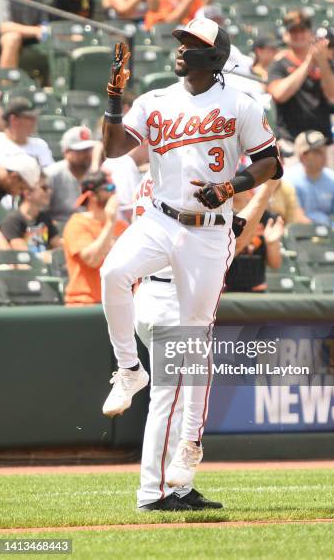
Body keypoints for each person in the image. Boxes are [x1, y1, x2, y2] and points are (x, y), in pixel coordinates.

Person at [101, 17, 282, 507]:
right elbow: (114, 148)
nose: (181, 49)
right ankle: (127, 370)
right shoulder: (155, 100)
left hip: (206, 232)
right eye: (180, 41)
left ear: (216, 57)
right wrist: (114, 101)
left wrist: (231, 188)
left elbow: (271, 164)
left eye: (194, 44)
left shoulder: (240, 104)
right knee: (113, 272)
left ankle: (185, 455)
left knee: (194, 353)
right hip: (161, 220)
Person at [106, 170, 279, 511]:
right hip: (169, 298)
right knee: (169, 401)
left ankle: (178, 491)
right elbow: (235, 238)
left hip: (156, 292)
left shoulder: (156, 173)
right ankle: (152, 494)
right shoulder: (186, 178)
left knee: (180, 401)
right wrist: (266, 190)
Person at [267, 10, 334, 169]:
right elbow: (279, 94)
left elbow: (333, 95)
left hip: (322, 143)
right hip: (292, 144)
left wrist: (322, 64)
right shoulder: (279, 64)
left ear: (310, 33)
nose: (298, 35)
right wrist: (308, 64)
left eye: (302, 30)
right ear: (286, 34)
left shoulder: (325, 62)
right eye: (293, 31)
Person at [63, 171, 128, 306]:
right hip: (84, 303)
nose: (113, 193)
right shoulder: (77, 223)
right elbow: (92, 260)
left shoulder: (122, 226)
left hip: (117, 304)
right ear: (92, 196)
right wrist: (110, 223)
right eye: (109, 188)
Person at [285, 130, 334, 229]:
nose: (324, 155)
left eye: (324, 150)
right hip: (300, 237)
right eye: (317, 152)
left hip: (330, 238)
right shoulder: (289, 180)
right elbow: (296, 218)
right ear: (303, 156)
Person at [0, 173, 61, 264]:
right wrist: (49, 255)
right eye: (44, 188)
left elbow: (59, 249)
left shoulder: (45, 217)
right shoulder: (12, 221)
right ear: (28, 193)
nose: (49, 192)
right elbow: (25, 256)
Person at [46, 126, 95, 223]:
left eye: (89, 149)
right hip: (60, 230)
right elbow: (42, 214)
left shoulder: (97, 173)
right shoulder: (51, 174)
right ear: (66, 152)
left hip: (91, 228)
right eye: (81, 150)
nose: (87, 154)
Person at [0, 154, 41, 249]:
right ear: (14, 177)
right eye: (21, 188)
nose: (18, 194)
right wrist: (5, 249)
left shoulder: (1, 188)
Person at [0, 98, 54, 170]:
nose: (35, 121)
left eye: (35, 117)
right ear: (13, 119)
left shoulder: (40, 144)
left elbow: (49, 174)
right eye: (30, 117)